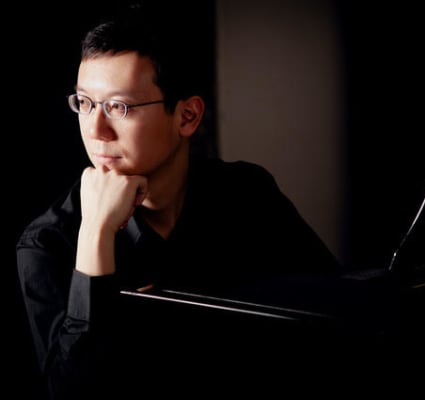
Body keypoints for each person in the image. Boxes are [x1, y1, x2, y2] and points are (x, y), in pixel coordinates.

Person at [15, 5, 341, 399]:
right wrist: (96, 235)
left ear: (187, 116)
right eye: (85, 103)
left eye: (118, 107)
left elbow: (337, 312)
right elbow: (75, 397)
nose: (96, 129)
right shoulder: (49, 242)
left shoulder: (245, 193)